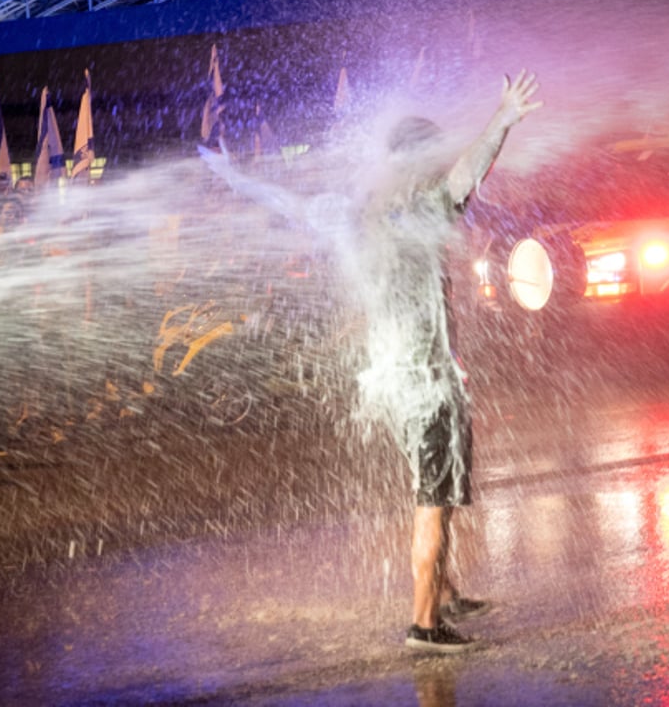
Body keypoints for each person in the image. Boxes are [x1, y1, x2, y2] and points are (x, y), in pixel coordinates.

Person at [203, 70, 542, 654]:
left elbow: (284, 201)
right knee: (432, 504)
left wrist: (234, 175)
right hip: (429, 387)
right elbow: (471, 171)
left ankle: (446, 591)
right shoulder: (425, 207)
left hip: (392, 383)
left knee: (436, 488)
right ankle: (425, 626)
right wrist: (503, 118)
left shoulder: (355, 214)